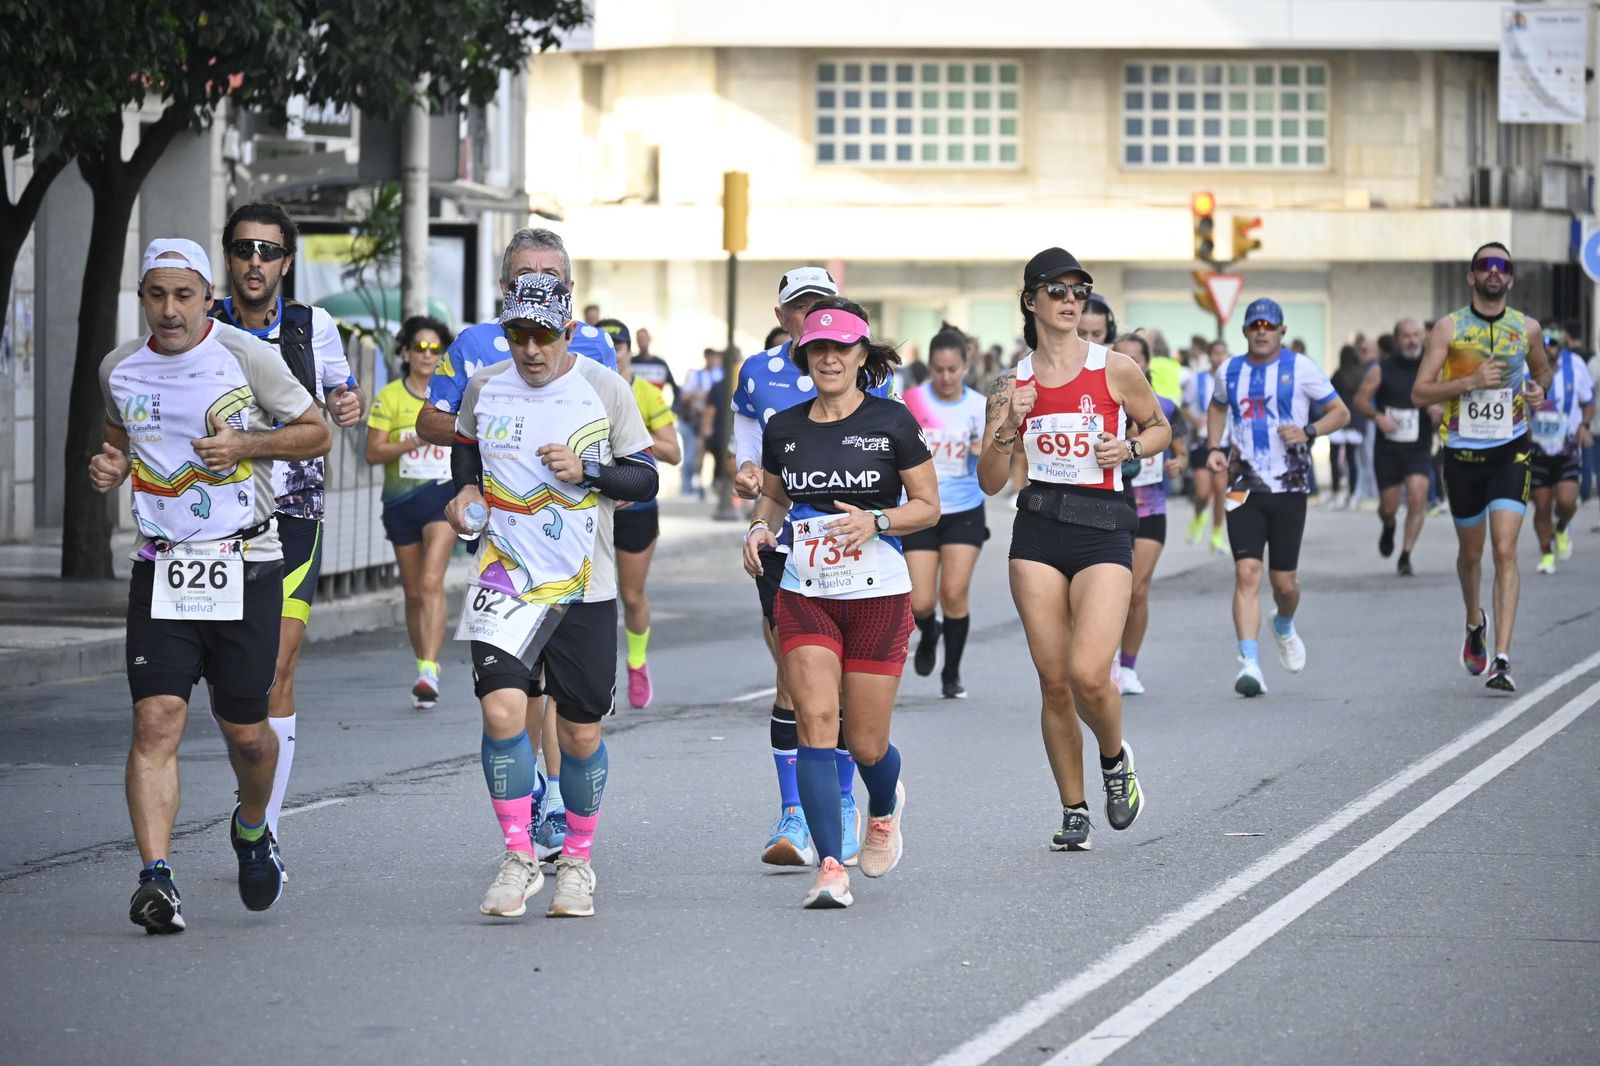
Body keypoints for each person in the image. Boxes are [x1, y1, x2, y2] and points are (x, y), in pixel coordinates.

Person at [91, 239, 331, 933]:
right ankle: (156, 879)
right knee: (154, 720)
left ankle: (253, 828)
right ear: (142, 299)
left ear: (206, 296)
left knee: (247, 732)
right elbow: (118, 441)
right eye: (156, 295)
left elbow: (315, 433)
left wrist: (245, 446)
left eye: (184, 295)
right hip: (162, 565)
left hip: (244, 561)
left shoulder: (246, 356)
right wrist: (107, 467)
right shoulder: (119, 368)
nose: (170, 310)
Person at [446, 274, 656, 919]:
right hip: (505, 577)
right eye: (518, 335)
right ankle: (518, 857)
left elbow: (644, 477)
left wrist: (588, 470)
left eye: (543, 335)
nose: (531, 349)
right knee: (503, 713)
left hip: (583, 587)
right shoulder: (485, 387)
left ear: (567, 332)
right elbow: (466, 454)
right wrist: (462, 497)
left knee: (580, 731)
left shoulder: (604, 388)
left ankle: (578, 864)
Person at [414, 227, 615, 859]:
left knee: (564, 697)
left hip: (580, 543)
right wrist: (499, 439)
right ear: (504, 289)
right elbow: (432, 420)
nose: (532, 344)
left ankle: (557, 796)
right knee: (513, 694)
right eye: (523, 278)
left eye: (550, 281)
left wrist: (583, 458)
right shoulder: (478, 349)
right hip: (508, 545)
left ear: (569, 291)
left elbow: (615, 432)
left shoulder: (597, 347)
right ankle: (529, 807)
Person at [742, 298, 937, 908]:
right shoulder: (786, 428)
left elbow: (927, 506)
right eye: (818, 349)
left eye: (842, 348)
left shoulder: (893, 421)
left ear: (860, 355)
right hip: (805, 592)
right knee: (815, 725)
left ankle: (885, 802)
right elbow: (772, 501)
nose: (829, 357)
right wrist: (757, 530)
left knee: (868, 744)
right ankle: (830, 865)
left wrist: (878, 520)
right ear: (804, 355)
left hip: (878, 595)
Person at [978, 247, 1170, 853]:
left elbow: (1161, 427)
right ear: (1030, 301)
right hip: (1037, 528)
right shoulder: (1011, 382)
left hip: (1104, 527)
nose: (1069, 302)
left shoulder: (1114, 368)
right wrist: (1009, 423)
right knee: (1054, 681)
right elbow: (988, 479)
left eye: (1078, 291)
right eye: (1056, 291)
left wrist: (1132, 450)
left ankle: (1115, 761)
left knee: (1091, 674)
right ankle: (1074, 807)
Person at [209, 202, 364, 854]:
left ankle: (262, 826)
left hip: (294, 514)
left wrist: (349, 403)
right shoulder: (199, 323)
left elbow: (340, 396)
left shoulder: (311, 327)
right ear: (229, 257)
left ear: (286, 263)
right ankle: (253, 775)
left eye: (267, 251)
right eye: (244, 249)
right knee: (229, 683)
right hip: (213, 518)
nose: (254, 262)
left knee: (276, 664)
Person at [731, 268, 892, 868]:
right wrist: (750, 491)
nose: (812, 320)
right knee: (794, 682)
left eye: (822, 307)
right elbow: (748, 458)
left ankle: (846, 801)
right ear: (783, 318)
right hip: (787, 547)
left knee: (842, 687)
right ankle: (796, 811)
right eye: (801, 310)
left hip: (858, 552)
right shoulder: (758, 375)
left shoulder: (868, 381)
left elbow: (898, 462)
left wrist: (882, 522)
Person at [1412, 242, 1551, 692]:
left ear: (1510, 278)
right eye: (1484, 266)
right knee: (1471, 554)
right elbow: (1419, 393)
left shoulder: (1526, 329)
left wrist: (1537, 392)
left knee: (1505, 549)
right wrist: (1469, 381)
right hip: (1463, 453)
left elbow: (1542, 374)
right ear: (1471, 277)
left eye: (1502, 267)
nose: (1493, 272)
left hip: (1511, 448)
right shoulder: (1449, 328)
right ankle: (1475, 621)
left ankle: (1503, 659)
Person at [1207, 298, 1350, 697]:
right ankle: (1248, 662)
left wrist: (1309, 431)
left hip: (1290, 486)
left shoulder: (1301, 368)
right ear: (1246, 331)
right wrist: (1214, 446)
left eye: (1270, 325)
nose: (1262, 331)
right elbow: (1217, 408)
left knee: (1284, 583)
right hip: (1241, 484)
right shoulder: (1229, 370)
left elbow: (1341, 412)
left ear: (1282, 330)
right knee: (1246, 573)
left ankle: (1284, 623)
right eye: (1255, 325)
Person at [366, 316, 459, 705]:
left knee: (430, 582)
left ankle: (429, 670)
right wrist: (414, 440)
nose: (427, 355)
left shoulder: (453, 394)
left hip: (443, 500)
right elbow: (373, 452)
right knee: (413, 592)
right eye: (419, 347)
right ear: (405, 353)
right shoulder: (389, 397)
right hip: (401, 504)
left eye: (435, 348)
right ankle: (423, 661)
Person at [597, 318, 682, 707]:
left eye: (620, 345)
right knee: (588, 598)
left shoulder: (646, 393)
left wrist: (633, 439)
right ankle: (596, 675)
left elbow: (674, 451)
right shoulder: (578, 387)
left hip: (637, 508)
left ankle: (636, 662)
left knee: (631, 596)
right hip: (590, 507)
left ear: (630, 351)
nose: (614, 352)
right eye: (606, 344)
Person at [903, 323, 989, 699]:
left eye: (953, 370)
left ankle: (951, 674)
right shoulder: (912, 401)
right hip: (920, 508)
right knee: (920, 601)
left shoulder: (978, 407)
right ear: (929, 367)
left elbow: (997, 457)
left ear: (965, 367)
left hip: (965, 507)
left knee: (953, 594)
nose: (946, 377)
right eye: (938, 369)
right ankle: (929, 631)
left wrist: (982, 450)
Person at [1114, 333, 1187, 695]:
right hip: (1113, 505)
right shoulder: (1107, 403)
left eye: (1136, 358)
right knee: (1112, 590)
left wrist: (1178, 463)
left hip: (1151, 506)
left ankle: (1128, 666)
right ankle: (1106, 660)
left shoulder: (1166, 407)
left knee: (1137, 590)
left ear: (1147, 363)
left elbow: (1181, 448)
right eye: (1121, 357)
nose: (1129, 364)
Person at [1355, 318, 1434, 575]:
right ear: (1397, 339)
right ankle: (1388, 525)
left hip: (1418, 444)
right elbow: (1360, 400)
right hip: (1388, 447)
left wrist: (1439, 409)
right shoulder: (1382, 368)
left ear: (1423, 337)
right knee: (1388, 506)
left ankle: (1406, 554)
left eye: (1416, 335)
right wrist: (1378, 417)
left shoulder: (1432, 368)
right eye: (1406, 336)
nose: (1412, 340)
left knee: (1417, 493)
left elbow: (1448, 396)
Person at [1528, 328, 1594, 573]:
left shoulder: (1575, 365)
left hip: (1567, 445)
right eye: (1543, 343)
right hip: (1537, 447)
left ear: (1561, 344)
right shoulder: (1525, 366)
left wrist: (1584, 426)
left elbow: (1588, 402)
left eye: (1553, 343)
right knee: (1542, 505)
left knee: (1566, 502)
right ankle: (1546, 553)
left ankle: (1563, 526)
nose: (1548, 348)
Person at [1184, 339, 1229, 552]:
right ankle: (1200, 514)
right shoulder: (1197, 379)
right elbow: (1184, 406)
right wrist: (1194, 420)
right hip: (1202, 441)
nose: (1219, 357)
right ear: (1209, 356)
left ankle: (1217, 534)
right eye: (1215, 353)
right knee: (1202, 492)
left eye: (1223, 353)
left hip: (1225, 441)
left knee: (1221, 490)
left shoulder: (1232, 379)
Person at [1326, 345, 1367, 509]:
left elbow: (1329, 395)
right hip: (1356, 420)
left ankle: (1336, 494)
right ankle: (1352, 496)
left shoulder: (1338, 374)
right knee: (1352, 460)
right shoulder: (1361, 375)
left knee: (1334, 459)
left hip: (1339, 419)